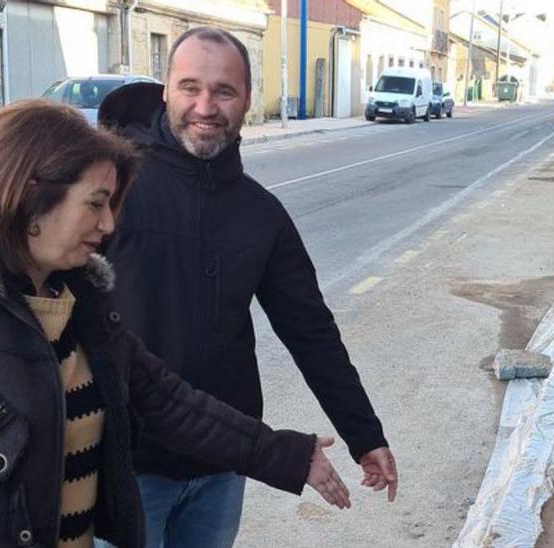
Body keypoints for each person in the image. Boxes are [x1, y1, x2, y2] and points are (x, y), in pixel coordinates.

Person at [0, 100, 351, 548]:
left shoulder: (81, 301)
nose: (108, 226)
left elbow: (168, 400)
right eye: (97, 204)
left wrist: (284, 454)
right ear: (31, 195)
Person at [97, 26, 397, 548]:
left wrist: (363, 434)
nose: (205, 106)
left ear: (248, 102)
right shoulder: (111, 193)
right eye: (190, 87)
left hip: (222, 466)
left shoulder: (261, 214)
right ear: (166, 89)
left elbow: (310, 330)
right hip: (123, 468)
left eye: (224, 91)